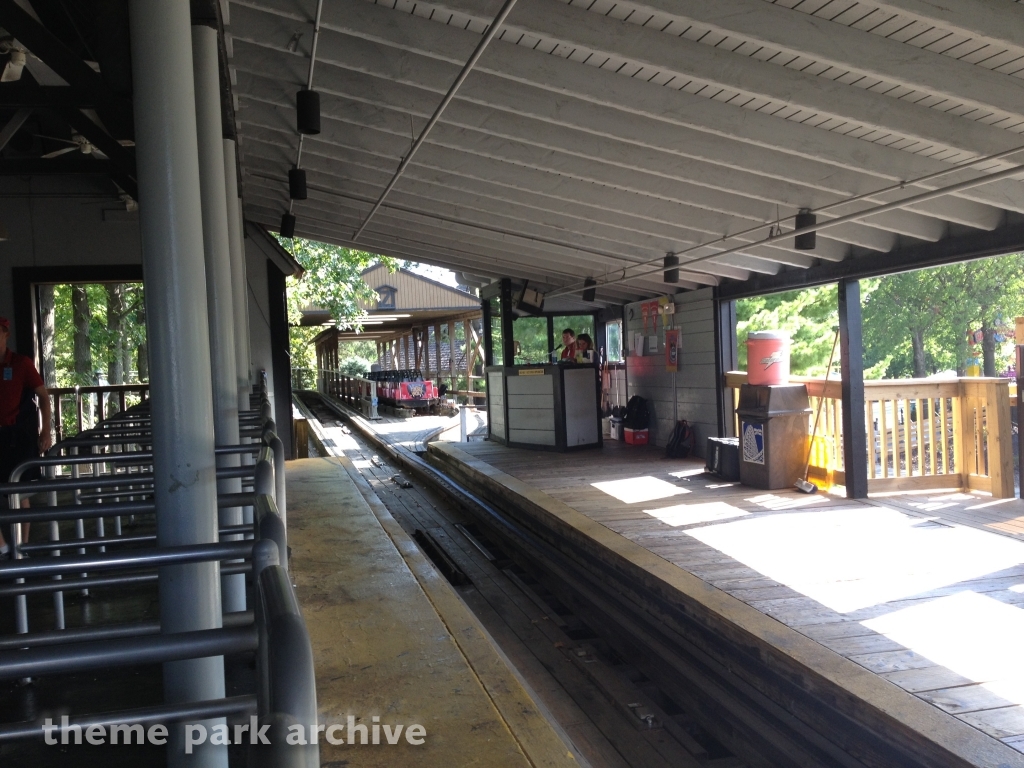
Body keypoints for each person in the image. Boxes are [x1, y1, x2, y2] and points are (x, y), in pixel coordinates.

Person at [0, 317, 51, 558]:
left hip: (18, 437)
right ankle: (2, 546)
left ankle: (22, 547)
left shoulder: (21, 364)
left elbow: (43, 396)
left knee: (19, 493)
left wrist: (45, 430)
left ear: (5, 334)